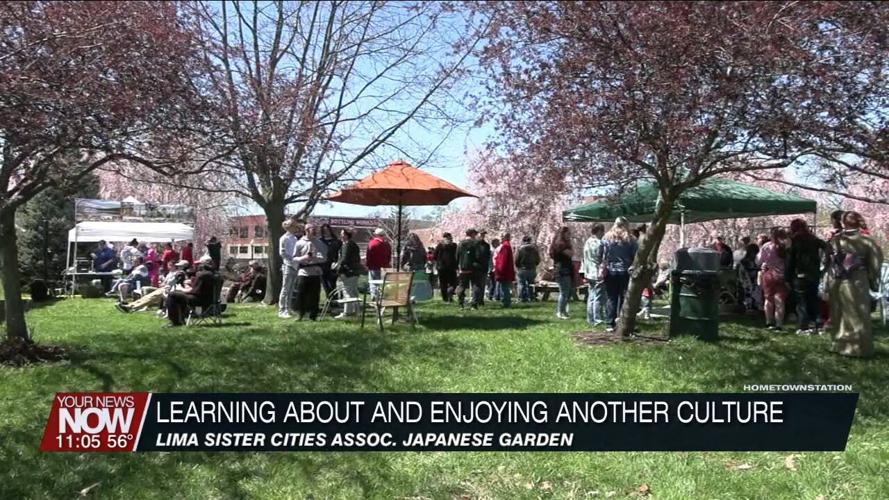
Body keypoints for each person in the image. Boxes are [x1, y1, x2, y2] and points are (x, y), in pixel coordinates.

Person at [828, 211, 884, 358]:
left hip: (839, 280)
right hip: (856, 279)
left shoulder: (836, 240)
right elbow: (876, 263)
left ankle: (842, 345)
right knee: (855, 313)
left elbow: (826, 261)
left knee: (842, 312)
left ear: (843, 222)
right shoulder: (866, 240)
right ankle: (855, 347)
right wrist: (872, 277)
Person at [787, 219, 828, 335]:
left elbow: (790, 261)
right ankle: (818, 324)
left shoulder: (794, 240)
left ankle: (804, 326)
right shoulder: (814, 239)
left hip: (799, 274)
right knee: (813, 299)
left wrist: (787, 277)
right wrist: (825, 266)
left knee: (801, 301)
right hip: (814, 274)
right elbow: (828, 248)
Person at [601, 217, 638, 332]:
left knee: (611, 298)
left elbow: (601, 254)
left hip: (610, 271)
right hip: (625, 271)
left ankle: (609, 323)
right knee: (623, 297)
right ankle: (621, 321)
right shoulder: (631, 239)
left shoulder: (606, 237)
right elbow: (635, 255)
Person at [117, 260, 188, 313]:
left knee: (151, 297)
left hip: (170, 290)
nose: (178, 267)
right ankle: (130, 305)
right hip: (166, 288)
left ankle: (132, 307)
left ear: (184, 267)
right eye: (178, 266)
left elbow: (172, 283)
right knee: (148, 296)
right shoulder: (176, 273)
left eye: (180, 266)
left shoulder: (181, 274)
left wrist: (166, 283)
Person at [165, 255, 217, 326]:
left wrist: (181, 289)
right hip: (213, 300)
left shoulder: (202, 275)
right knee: (179, 295)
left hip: (200, 301)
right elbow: (201, 288)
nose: (198, 266)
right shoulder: (216, 274)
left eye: (199, 264)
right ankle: (181, 318)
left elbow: (193, 291)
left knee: (172, 295)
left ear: (203, 264)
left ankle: (176, 322)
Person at [757, 227, 789, 331]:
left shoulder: (766, 246)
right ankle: (779, 324)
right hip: (781, 275)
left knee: (768, 299)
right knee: (779, 300)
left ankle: (768, 322)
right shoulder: (785, 246)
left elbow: (758, 261)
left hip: (769, 274)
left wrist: (765, 263)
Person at [293, 223, 327, 321]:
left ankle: (313, 315)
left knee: (314, 295)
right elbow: (294, 258)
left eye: (315, 229)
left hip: (315, 271)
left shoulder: (319, 243)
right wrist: (303, 258)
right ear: (306, 230)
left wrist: (316, 258)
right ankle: (300, 314)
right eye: (312, 229)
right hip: (303, 271)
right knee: (301, 293)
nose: (314, 231)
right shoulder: (299, 243)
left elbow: (324, 258)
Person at [581, 223, 606, 326]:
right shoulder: (600, 243)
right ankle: (597, 319)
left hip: (588, 272)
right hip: (597, 272)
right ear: (599, 231)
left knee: (591, 296)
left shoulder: (587, 242)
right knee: (598, 297)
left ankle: (590, 318)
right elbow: (602, 259)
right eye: (602, 231)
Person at [334, 228, 362, 318]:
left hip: (348, 272)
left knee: (347, 292)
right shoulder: (353, 244)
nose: (340, 235)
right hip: (354, 272)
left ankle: (347, 313)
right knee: (354, 292)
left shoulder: (347, 245)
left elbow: (344, 259)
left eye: (342, 234)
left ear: (346, 235)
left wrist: (337, 268)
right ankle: (356, 311)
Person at [548, 226, 575, 320]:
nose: (569, 236)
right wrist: (570, 246)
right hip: (562, 270)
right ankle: (560, 312)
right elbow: (571, 253)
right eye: (568, 234)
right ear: (562, 234)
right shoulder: (561, 245)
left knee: (568, 291)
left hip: (565, 269)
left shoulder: (559, 244)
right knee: (564, 292)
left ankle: (564, 311)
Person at [455, 228, 485, 309]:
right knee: (476, 285)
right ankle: (474, 304)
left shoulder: (460, 244)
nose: (475, 235)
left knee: (462, 286)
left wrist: (457, 267)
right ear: (472, 234)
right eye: (475, 234)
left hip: (463, 268)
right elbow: (479, 256)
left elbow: (457, 256)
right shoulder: (476, 243)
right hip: (474, 268)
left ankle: (461, 303)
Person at [277, 219, 301, 318]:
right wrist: (292, 259)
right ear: (289, 227)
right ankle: (282, 310)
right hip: (288, 265)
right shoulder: (284, 238)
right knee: (285, 288)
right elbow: (282, 253)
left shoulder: (294, 238)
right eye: (294, 226)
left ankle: (288, 308)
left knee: (291, 289)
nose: (296, 228)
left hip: (295, 265)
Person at [366, 228, 392, 299]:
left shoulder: (372, 243)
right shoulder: (387, 244)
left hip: (373, 267)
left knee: (373, 283)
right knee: (383, 284)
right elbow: (389, 256)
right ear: (383, 235)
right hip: (384, 268)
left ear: (376, 235)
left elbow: (369, 255)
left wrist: (367, 265)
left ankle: (375, 297)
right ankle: (382, 297)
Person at [319, 223, 342, 299]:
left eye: (327, 230)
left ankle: (334, 300)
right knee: (325, 284)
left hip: (333, 265)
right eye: (324, 230)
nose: (326, 231)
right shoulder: (320, 241)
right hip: (323, 265)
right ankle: (329, 300)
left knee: (333, 284)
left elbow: (341, 253)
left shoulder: (337, 241)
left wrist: (338, 263)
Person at [515, 235, 541, 302]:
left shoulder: (520, 248)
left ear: (523, 241)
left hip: (522, 268)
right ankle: (531, 296)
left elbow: (517, 259)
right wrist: (535, 264)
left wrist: (518, 266)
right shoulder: (535, 249)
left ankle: (522, 298)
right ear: (530, 240)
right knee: (531, 284)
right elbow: (538, 259)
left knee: (521, 284)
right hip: (532, 268)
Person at [434, 232, 458, 302]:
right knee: (444, 283)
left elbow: (457, 255)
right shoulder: (440, 246)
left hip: (451, 267)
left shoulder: (454, 246)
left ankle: (448, 295)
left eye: (448, 237)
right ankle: (446, 298)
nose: (448, 239)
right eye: (446, 237)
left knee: (452, 283)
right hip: (443, 268)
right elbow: (435, 255)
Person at [737, 243, 761, 312]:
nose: (755, 255)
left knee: (754, 293)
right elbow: (745, 273)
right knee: (747, 293)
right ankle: (748, 307)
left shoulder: (752, 261)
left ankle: (753, 306)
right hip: (746, 282)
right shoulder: (744, 262)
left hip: (752, 281)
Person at [493, 233, 515, 308]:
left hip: (504, 271)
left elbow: (503, 260)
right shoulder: (507, 246)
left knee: (504, 287)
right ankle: (506, 302)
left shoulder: (505, 247)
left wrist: (499, 270)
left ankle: (506, 302)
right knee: (505, 287)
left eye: (502, 237)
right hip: (507, 270)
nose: (500, 239)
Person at [477, 230, 492, 306]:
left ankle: (480, 300)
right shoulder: (474, 244)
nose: (482, 236)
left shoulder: (486, 245)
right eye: (481, 234)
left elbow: (488, 256)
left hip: (484, 267)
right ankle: (475, 299)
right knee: (476, 284)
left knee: (482, 284)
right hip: (476, 267)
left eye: (483, 235)